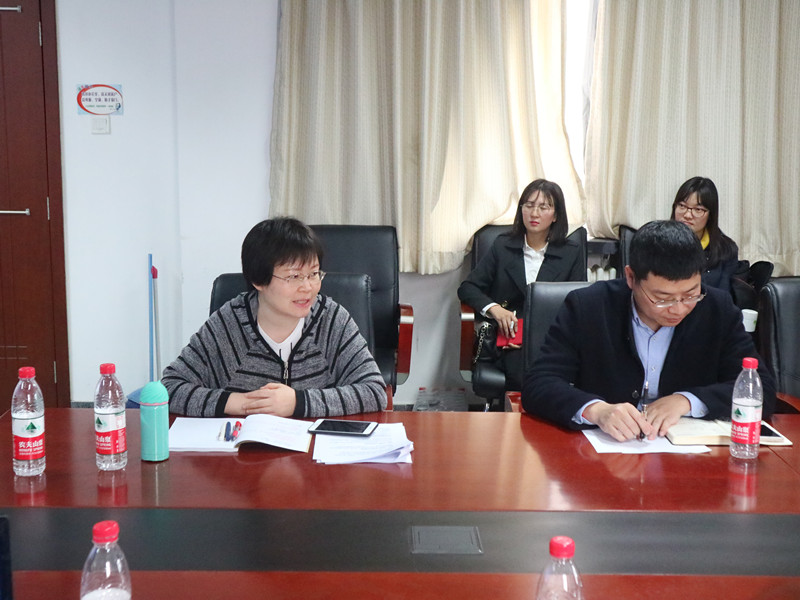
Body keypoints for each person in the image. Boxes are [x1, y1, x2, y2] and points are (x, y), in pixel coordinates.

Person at [522, 220, 776, 441]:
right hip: (604, 455)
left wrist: (687, 401)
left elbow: (759, 388)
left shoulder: (718, 309)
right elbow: (539, 383)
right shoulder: (587, 307)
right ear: (631, 278)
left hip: (688, 461)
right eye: (662, 298)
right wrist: (596, 410)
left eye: (690, 295)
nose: (678, 309)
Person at [162, 217, 387, 418]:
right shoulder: (230, 323)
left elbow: (374, 390)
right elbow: (169, 388)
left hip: (314, 448)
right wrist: (242, 403)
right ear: (258, 280)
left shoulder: (332, 320)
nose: (307, 287)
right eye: (294, 277)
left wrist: (298, 403)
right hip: (243, 448)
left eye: (313, 274)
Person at [458, 179, 585, 391]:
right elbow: (468, 288)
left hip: (552, 339)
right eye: (529, 205)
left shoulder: (570, 252)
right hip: (510, 340)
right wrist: (495, 309)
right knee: (525, 375)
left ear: (555, 215)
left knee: (558, 374)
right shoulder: (503, 245)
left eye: (543, 207)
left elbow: (578, 303)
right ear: (521, 209)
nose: (534, 213)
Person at [671, 176, 739, 293]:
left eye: (698, 209)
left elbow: (723, 295)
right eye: (682, 206)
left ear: (710, 215)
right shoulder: (658, 244)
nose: (687, 215)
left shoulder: (726, 249)